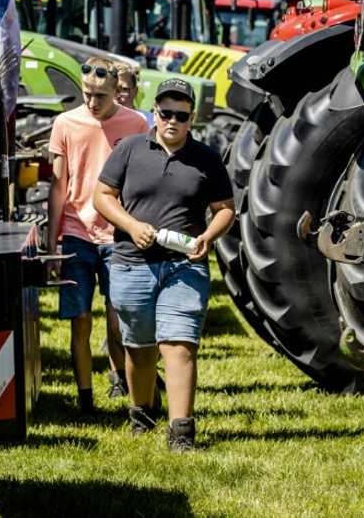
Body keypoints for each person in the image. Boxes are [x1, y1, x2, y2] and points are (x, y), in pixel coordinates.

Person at [93, 78, 235, 451]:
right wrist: (131, 225)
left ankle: (181, 433)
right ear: (155, 112)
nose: (172, 120)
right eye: (165, 112)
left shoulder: (206, 158)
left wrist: (208, 237)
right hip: (131, 263)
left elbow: (225, 210)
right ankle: (141, 414)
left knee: (180, 345)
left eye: (181, 115)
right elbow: (102, 196)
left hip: (183, 266)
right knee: (139, 350)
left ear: (191, 119)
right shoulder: (129, 149)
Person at [47, 56, 150, 413]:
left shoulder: (135, 123)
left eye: (101, 96)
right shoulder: (65, 123)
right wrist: (52, 242)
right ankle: (84, 398)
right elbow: (58, 186)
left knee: (118, 315)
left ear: (116, 93)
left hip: (118, 234)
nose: (92, 102)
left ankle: (121, 380)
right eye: (87, 94)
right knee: (79, 319)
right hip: (76, 234)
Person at [114, 64, 154, 129]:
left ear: (135, 91)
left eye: (124, 89)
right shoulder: (98, 121)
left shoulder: (150, 121)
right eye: (113, 89)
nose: (117, 95)